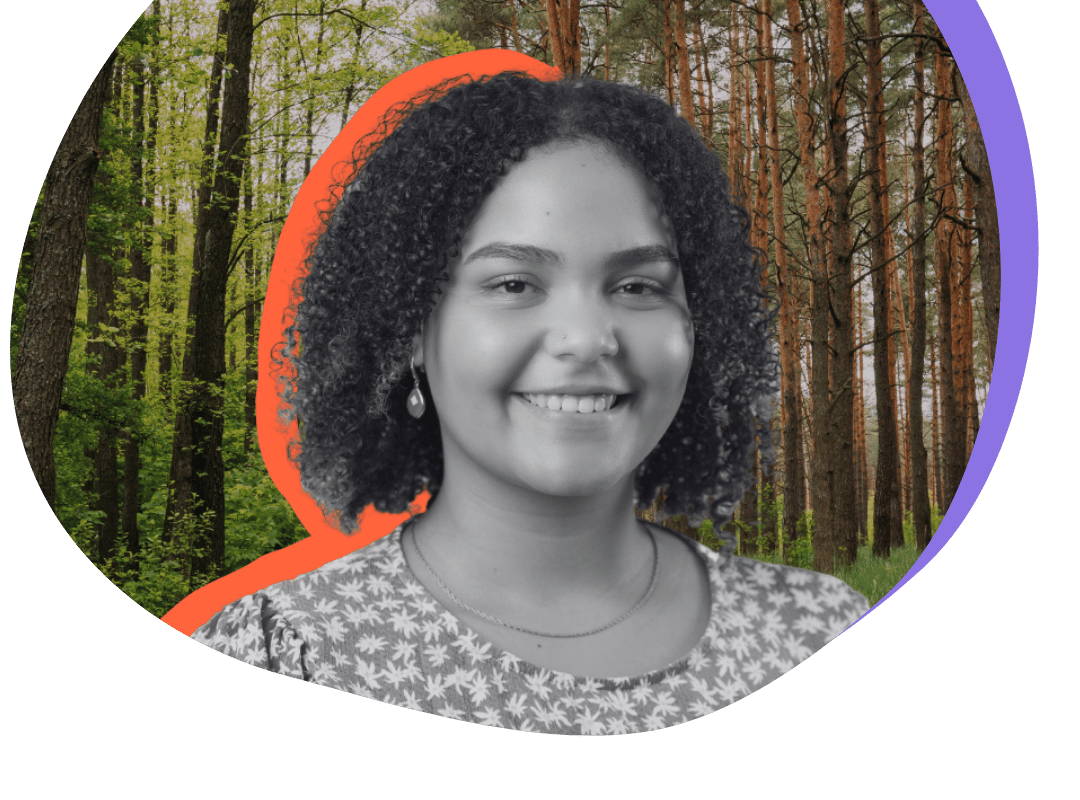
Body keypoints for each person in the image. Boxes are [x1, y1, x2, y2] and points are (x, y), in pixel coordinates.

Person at [191, 68, 868, 732]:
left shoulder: (817, 630)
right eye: (513, 284)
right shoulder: (286, 650)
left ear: (699, 326)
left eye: (637, 286)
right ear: (413, 331)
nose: (585, 339)